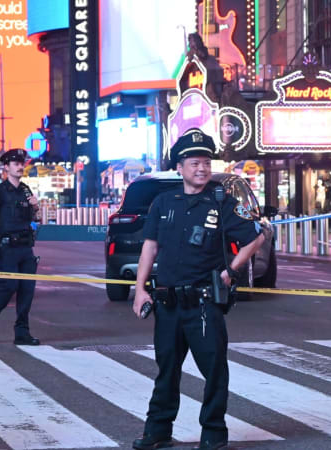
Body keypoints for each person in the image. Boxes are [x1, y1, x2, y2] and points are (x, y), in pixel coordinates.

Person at [131, 129, 265, 450]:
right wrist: (140, 289)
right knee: (167, 369)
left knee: (214, 370)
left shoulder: (221, 201)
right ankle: (158, 431)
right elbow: (150, 246)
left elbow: (256, 236)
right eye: (194, 163)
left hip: (204, 302)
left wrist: (231, 271)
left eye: (206, 162)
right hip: (167, 302)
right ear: (180, 168)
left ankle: (213, 433)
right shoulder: (164, 202)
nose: (202, 168)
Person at [0, 148, 41, 345]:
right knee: (9, 286)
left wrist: (36, 206)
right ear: (6, 167)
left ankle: (22, 332)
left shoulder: (25, 190)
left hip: (25, 247)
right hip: (7, 248)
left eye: (22, 163)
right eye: (16, 164)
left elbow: (36, 218)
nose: (20, 167)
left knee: (27, 290)